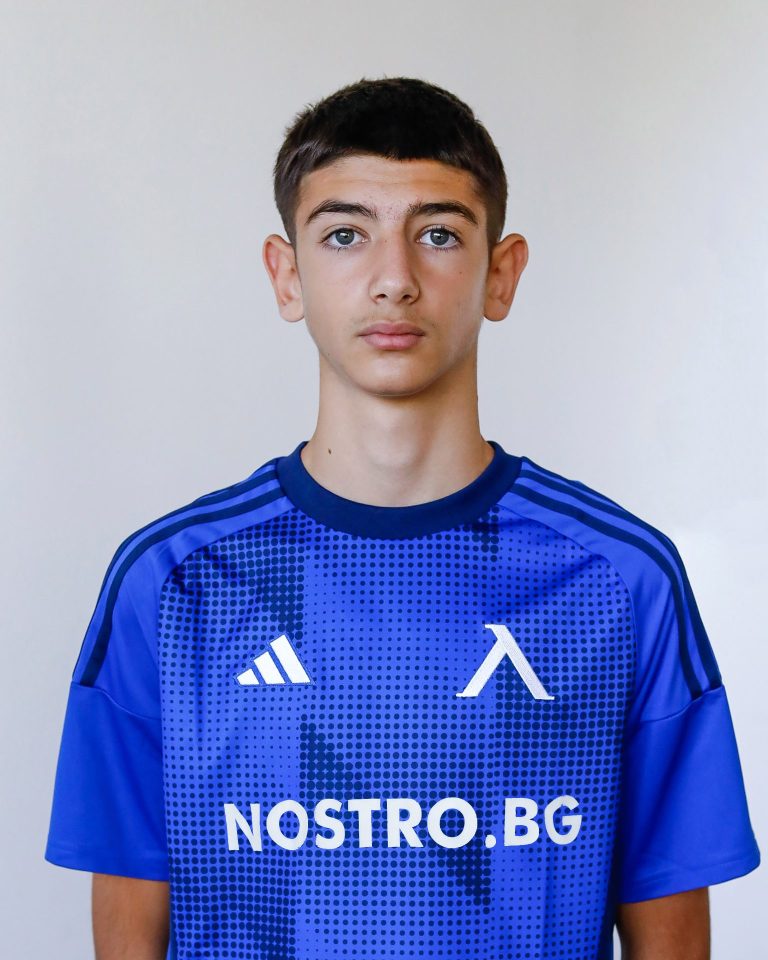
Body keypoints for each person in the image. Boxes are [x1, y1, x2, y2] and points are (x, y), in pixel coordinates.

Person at [45, 75, 760, 960]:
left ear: (501, 274)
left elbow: (673, 935)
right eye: (345, 235)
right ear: (287, 274)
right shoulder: (170, 584)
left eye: (438, 234)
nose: (394, 281)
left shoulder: (622, 580)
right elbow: (130, 923)